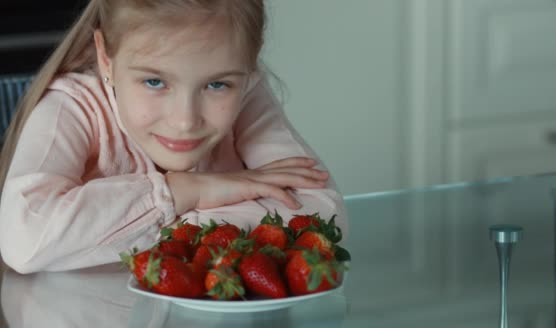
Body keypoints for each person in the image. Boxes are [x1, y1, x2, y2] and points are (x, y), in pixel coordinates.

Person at [0, 0, 347, 274]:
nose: (184, 121)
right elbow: (23, 236)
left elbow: (323, 219)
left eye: (216, 85)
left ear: (250, 66)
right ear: (106, 59)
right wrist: (185, 192)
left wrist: (173, 225)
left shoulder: (247, 97)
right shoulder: (72, 107)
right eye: (154, 82)